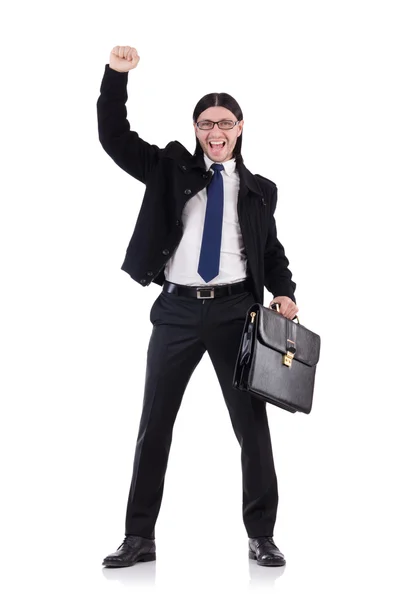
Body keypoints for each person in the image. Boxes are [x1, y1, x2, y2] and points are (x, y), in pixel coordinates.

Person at [97, 45, 298, 569]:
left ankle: (262, 536)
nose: (216, 132)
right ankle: (138, 537)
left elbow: (269, 250)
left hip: (237, 314)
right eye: (207, 123)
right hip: (177, 313)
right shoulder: (167, 168)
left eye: (225, 123)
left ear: (240, 127)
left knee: (251, 428)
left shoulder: (259, 190)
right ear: (195, 127)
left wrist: (285, 290)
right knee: (154, 424)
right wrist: (116, 77)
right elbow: (113, 138)